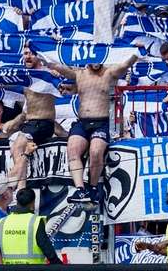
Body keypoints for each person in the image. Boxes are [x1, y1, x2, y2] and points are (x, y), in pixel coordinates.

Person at [43, 55, 139, 205]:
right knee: (73, 150)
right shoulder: (79, 74)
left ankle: (92, 188)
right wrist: (44, 57)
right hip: (82, 122)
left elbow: (125, 64)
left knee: (95, 151)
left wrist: (134, 54)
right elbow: (60, 68)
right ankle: (80, 190)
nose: (95, 62)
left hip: (103, 122)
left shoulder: (109, 73)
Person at [6, 47, 58, 190]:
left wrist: (55, 73)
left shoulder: (48, 74)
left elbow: (69, 73)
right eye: (25, 54)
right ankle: (21, 188)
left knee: (18, 146)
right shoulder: (25, 77)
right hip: (30, 124)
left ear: (39, 56)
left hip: (43, 123)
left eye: (32, 53)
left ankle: (12, 184)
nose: (28, 56)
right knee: (16, 147)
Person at [0, 188, 61, 265]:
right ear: (33, 203)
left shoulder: (2, 222)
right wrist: (62, 268)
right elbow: (49, 252)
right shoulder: (35, 222)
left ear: (17, 202)